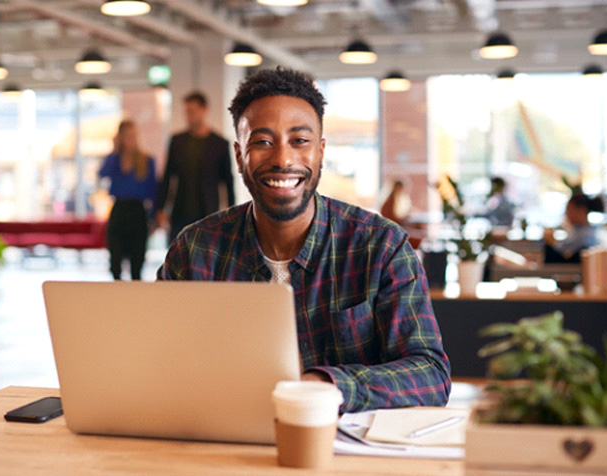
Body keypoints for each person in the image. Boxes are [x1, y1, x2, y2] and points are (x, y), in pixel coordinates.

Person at [157, 67, 450, 413]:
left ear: (321, 151)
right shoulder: (194, 251)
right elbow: (157, 361)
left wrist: (325, 385)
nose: (283, 159)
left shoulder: (382, 246)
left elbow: (430, 374)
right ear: (239, 156)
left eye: (299, 141)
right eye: (263, 142)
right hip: (225, 448)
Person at [155, 91, 236, 244]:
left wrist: (232, 215)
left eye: (192, 111)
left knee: (206, 258)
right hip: (180, 212)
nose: (188, 116)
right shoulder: (177, 141)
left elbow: (227, 182)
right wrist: (161, 208)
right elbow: (167, 177)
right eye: (186, 112)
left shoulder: (219, 144)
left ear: (204, 109)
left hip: (208, 212)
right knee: (178, 255)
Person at [98, 119, 158, 280]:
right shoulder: (115, 160)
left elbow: (153, 192)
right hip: (119, 211)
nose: (129, 140)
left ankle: (135, 301)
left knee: (137, 263)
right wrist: (115, 150)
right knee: (115, 262)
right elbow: (102, 173)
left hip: (137, 212)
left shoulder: (146, 161)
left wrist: (153, 218)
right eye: (125, 136)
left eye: (132, 135)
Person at [543, 193, 607, 263]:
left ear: (581, 210)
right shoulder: (580, 230)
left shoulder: (585, 235)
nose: (566, 214)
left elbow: (566, 258)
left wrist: (551, 243)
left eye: (569, 210)